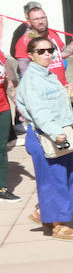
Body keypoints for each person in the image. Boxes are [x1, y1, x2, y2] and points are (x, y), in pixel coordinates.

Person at [13, 35, 73, 240]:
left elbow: (50, 100)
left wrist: (65, 92)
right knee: (55, 181)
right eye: (40, 51)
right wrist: (54, 132)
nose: (47, 54)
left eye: (50, 50)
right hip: (46, 135)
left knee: (69, 176)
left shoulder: (47, 74)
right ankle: (57, 225)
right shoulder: (32, 79)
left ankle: (44, 212)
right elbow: (39, 110)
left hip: (57, 133)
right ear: (31, 55)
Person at [11, 2, 73, 83]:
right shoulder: (25, 40)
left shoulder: (53, 34)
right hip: (42, 89)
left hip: (60, 86)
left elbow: (62, 55)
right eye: (36, 19)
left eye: (43, 18)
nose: (41, 21)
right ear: (29, 22)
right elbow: (24, 69)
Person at [0, 55, 16, 201]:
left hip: (3, 108)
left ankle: (2, 188)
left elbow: (8, 84)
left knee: (2, 148)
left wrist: (20, 105)